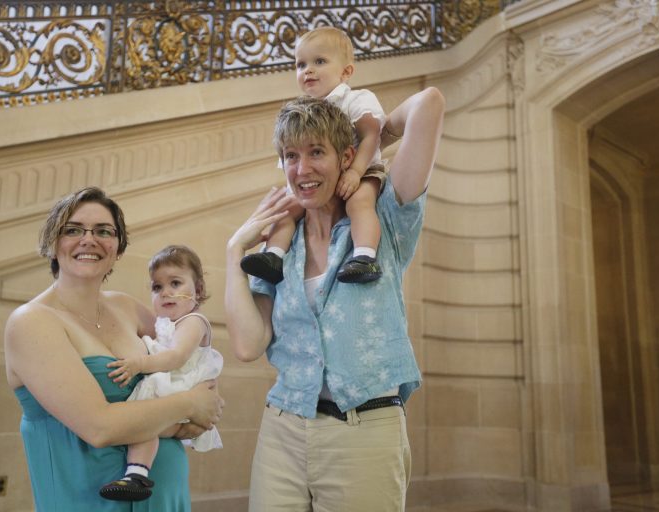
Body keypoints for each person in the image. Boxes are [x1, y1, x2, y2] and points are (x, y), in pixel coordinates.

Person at [225, 88, 444, 512]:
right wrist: (235, 250)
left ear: (343, 156)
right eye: (291, 155)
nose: (301, 169)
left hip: (365, 430)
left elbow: (429, 103)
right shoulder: (279, 246)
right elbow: (248, 345)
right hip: (283, 428)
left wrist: (365, 151)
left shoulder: (384, 219)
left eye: (316, 152)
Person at [4, 187, 224, 511]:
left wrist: (203, 399)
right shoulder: (31, 322)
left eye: (104, 231)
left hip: (166, 497)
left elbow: (190, 360)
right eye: (73, 230)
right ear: (53, 242)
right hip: (87, 502)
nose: (89, 239)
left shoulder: (127, 307)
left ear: (117, 247)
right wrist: (190, 404)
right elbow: (100, 426)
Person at [240, 26, 388, 285]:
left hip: (363, 170)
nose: (307, 69)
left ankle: (364, 256)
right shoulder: (301, 111)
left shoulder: (354, 99)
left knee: (359, 203)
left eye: (319, 61)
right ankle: (274, 256)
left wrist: (355, 172)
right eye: (300, 64)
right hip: (325, 177)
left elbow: (371, 134)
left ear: (346, 72)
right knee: (287, 211)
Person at [100, 245, 224, 501]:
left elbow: (176, 357)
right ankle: (136, 475)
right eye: (157, 287)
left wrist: (138, 364)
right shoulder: (164, 324)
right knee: (145, 425)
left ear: (197, 290)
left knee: (144, 423)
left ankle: (137, 473)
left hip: (182, 386)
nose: (166, 292)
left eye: (175, 283)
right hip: (170, 386)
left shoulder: (193, 322)